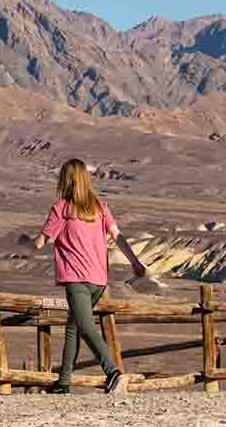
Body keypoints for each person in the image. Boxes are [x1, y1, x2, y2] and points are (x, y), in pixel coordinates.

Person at [31, 158, 146, 394]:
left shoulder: (61, 208)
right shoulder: (100, 207)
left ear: (66, 180)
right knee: (73, 327)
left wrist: (23, 241)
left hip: (76, 279)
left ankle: (113, 372)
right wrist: (134, 261)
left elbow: (40, 243)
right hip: (98, 280)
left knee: (84, 326)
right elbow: (118, 236)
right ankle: (63, 383)